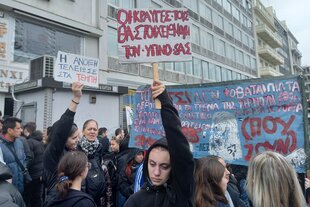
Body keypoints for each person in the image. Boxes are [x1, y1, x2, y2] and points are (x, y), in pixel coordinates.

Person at [124, 80, 194, 207]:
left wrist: (166, 103)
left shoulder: (180, 194)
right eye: (152, 164)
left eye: (164, 166)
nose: (156, 172)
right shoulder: (135, 201)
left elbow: (179, 145)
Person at [43, 82, 83, 204]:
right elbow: (62, 128)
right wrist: (76, 99)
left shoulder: (73, 151)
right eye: (74, 138)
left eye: (78, 137)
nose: (77, 140)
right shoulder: (53, 153)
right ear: (63, 139)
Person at [77, 119, 107, 206]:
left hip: (97, 197)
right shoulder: (77, 149)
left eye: (95, 129)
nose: (92, 132)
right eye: (89, 129)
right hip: (82, 196)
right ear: (83, 131)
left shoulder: (99, 148)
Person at [0, 117, 26, 193]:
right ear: (9, 130)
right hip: (6, 190)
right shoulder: (0, 145)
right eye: (18, 128)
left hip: (20, 186)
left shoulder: (19, 142)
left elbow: (24, 159)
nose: (21, 130)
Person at [24, 130, 45, 207]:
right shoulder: (41, 144)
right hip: (40, 174)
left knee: (29, 196)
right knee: (37, 196)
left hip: (32, 174)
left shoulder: (29, 142)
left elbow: (30, 158)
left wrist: (25, 169)